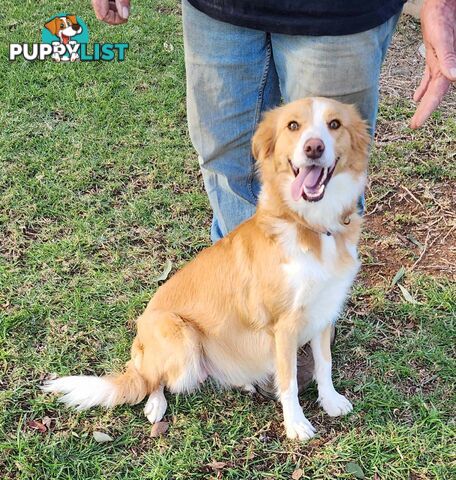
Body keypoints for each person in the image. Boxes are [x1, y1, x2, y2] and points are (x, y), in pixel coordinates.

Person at [91, 0, 456, 397]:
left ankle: (306, 319)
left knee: (327, 163)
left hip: (340, 13)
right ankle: (249, 326)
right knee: (227, 161)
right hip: (218, 10)